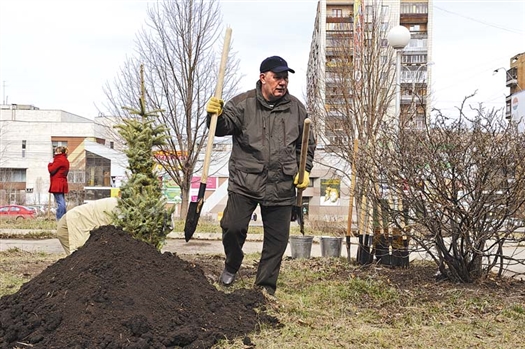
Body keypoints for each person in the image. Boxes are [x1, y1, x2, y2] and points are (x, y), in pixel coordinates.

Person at [205, 55, 316, 295]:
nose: (282, 82)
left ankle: (264, 288)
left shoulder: (296, 108)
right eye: (277, 77)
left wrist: (304, 170)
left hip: (282, 184)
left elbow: (307, 144)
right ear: (263, 77)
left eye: (285, 78)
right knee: (232, 227)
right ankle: (232, 263)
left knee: (277, 241)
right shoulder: (243, 104)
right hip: (246, 181)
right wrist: (215, 115)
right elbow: (223, 127)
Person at [48, 146, 70, 220]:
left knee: (60, 202)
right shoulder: (66, 160)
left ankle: (60, 218)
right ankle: (64, 218)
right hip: (62, 183)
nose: (55, 153)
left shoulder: (59, 160)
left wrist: (50, 163)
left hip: (57, 183)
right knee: (62, 201)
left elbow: (51, 170)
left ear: (60, 152)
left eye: (56, 151)